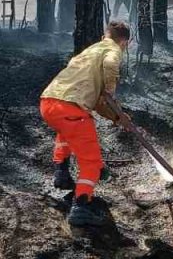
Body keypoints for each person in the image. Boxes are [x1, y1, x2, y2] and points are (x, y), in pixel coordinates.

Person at [39, 22, 134, 228]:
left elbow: (99, 105)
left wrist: (118, 118)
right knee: (91, 163)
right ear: (125, 42)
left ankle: (62, 173)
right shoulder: (113, 50)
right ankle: (81, 207)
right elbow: (109, 68)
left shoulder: (91, 50)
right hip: (72, 109)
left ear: (104, 35)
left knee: (66, 132)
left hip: (49, 102)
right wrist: (110, 91)